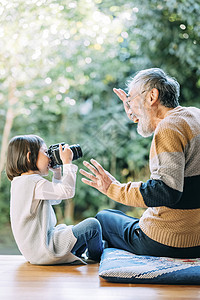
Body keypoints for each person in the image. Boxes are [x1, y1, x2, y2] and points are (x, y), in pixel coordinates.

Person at [80, 67, 200, 259]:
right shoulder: (194, 116)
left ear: (152, 96)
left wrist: (113, 188)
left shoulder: (168, 128)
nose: (129, 106)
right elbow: (160, 132)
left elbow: (166, 192)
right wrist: (134, 109)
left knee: (103, 219)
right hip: (196, 238)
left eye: (132, 99)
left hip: (169, 241)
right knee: (119, 217)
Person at [6, 135, 103, 265]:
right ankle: (96, 259)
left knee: (74, 230)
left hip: (35, 251)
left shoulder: (21, 182)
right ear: (29, 157)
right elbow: (67, 192)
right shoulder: (33, 182)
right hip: (44, 249)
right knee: (93, 225)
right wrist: (67, 163)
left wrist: (57, 173)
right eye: (46, 152)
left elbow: (55, 199)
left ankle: (75, 253)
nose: (50, 157)